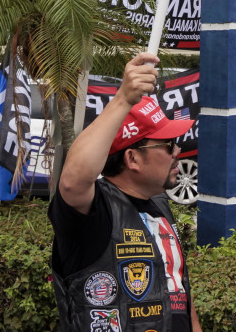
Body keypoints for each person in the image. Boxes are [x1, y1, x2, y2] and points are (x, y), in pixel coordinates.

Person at [49, 52, 200, 332]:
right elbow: (72, 182)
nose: (178, 152)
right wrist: (123, 100)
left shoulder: (159, 204)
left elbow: (178, 289)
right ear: (132, 159)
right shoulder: (94, 213)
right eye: (168, 144)